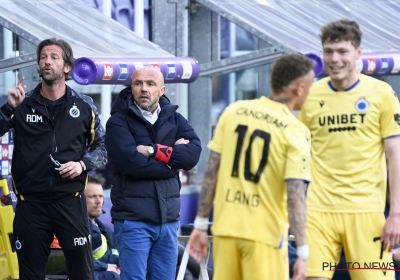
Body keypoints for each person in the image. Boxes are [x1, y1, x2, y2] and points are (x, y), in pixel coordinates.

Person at [187, 53, 315, 280]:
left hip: (226, 230)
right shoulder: (296, 131)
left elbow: (211, 172)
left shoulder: (234, 112)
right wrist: (303, 252)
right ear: (300, 88)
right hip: (264, 237)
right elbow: (296, 197)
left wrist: (200, 224)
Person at [298, 19, 400, 280]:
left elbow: (395, 156)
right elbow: (298, 157)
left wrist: (396, 214)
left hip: (366, 214)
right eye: (328, 51)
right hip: (318, 213)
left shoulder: (381, 93)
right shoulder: (310, 96)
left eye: (343, 51)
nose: (335, 59)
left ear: (358, 53)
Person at [0, 38, 107, 280]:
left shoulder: (84, 105)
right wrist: (8, 108)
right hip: (31, 206)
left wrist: (82, 164)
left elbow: (103, 147)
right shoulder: (22, 102)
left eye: (54, 57)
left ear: (67, 67)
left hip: (70, 203)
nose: (46, 61)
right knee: (30, 275)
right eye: (43, 57)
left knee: (82, 274)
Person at [105, 66, 202, 279]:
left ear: (162, 90)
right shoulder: (117, 122)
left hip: (167, 222)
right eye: (138, 83)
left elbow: (192, 155)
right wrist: (171, 162)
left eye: (150, 84)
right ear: (131, 87)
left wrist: (153, 151)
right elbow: (131, 165)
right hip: (133, 221)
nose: (144, 89)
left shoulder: (175, 119)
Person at [85, 174, 120, 280]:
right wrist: (106, 267)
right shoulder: (75, 227)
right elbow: (79, 260)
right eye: (92, 196)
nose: (99, 201)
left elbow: (115, 253)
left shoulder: (104, 228)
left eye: (100, 196)